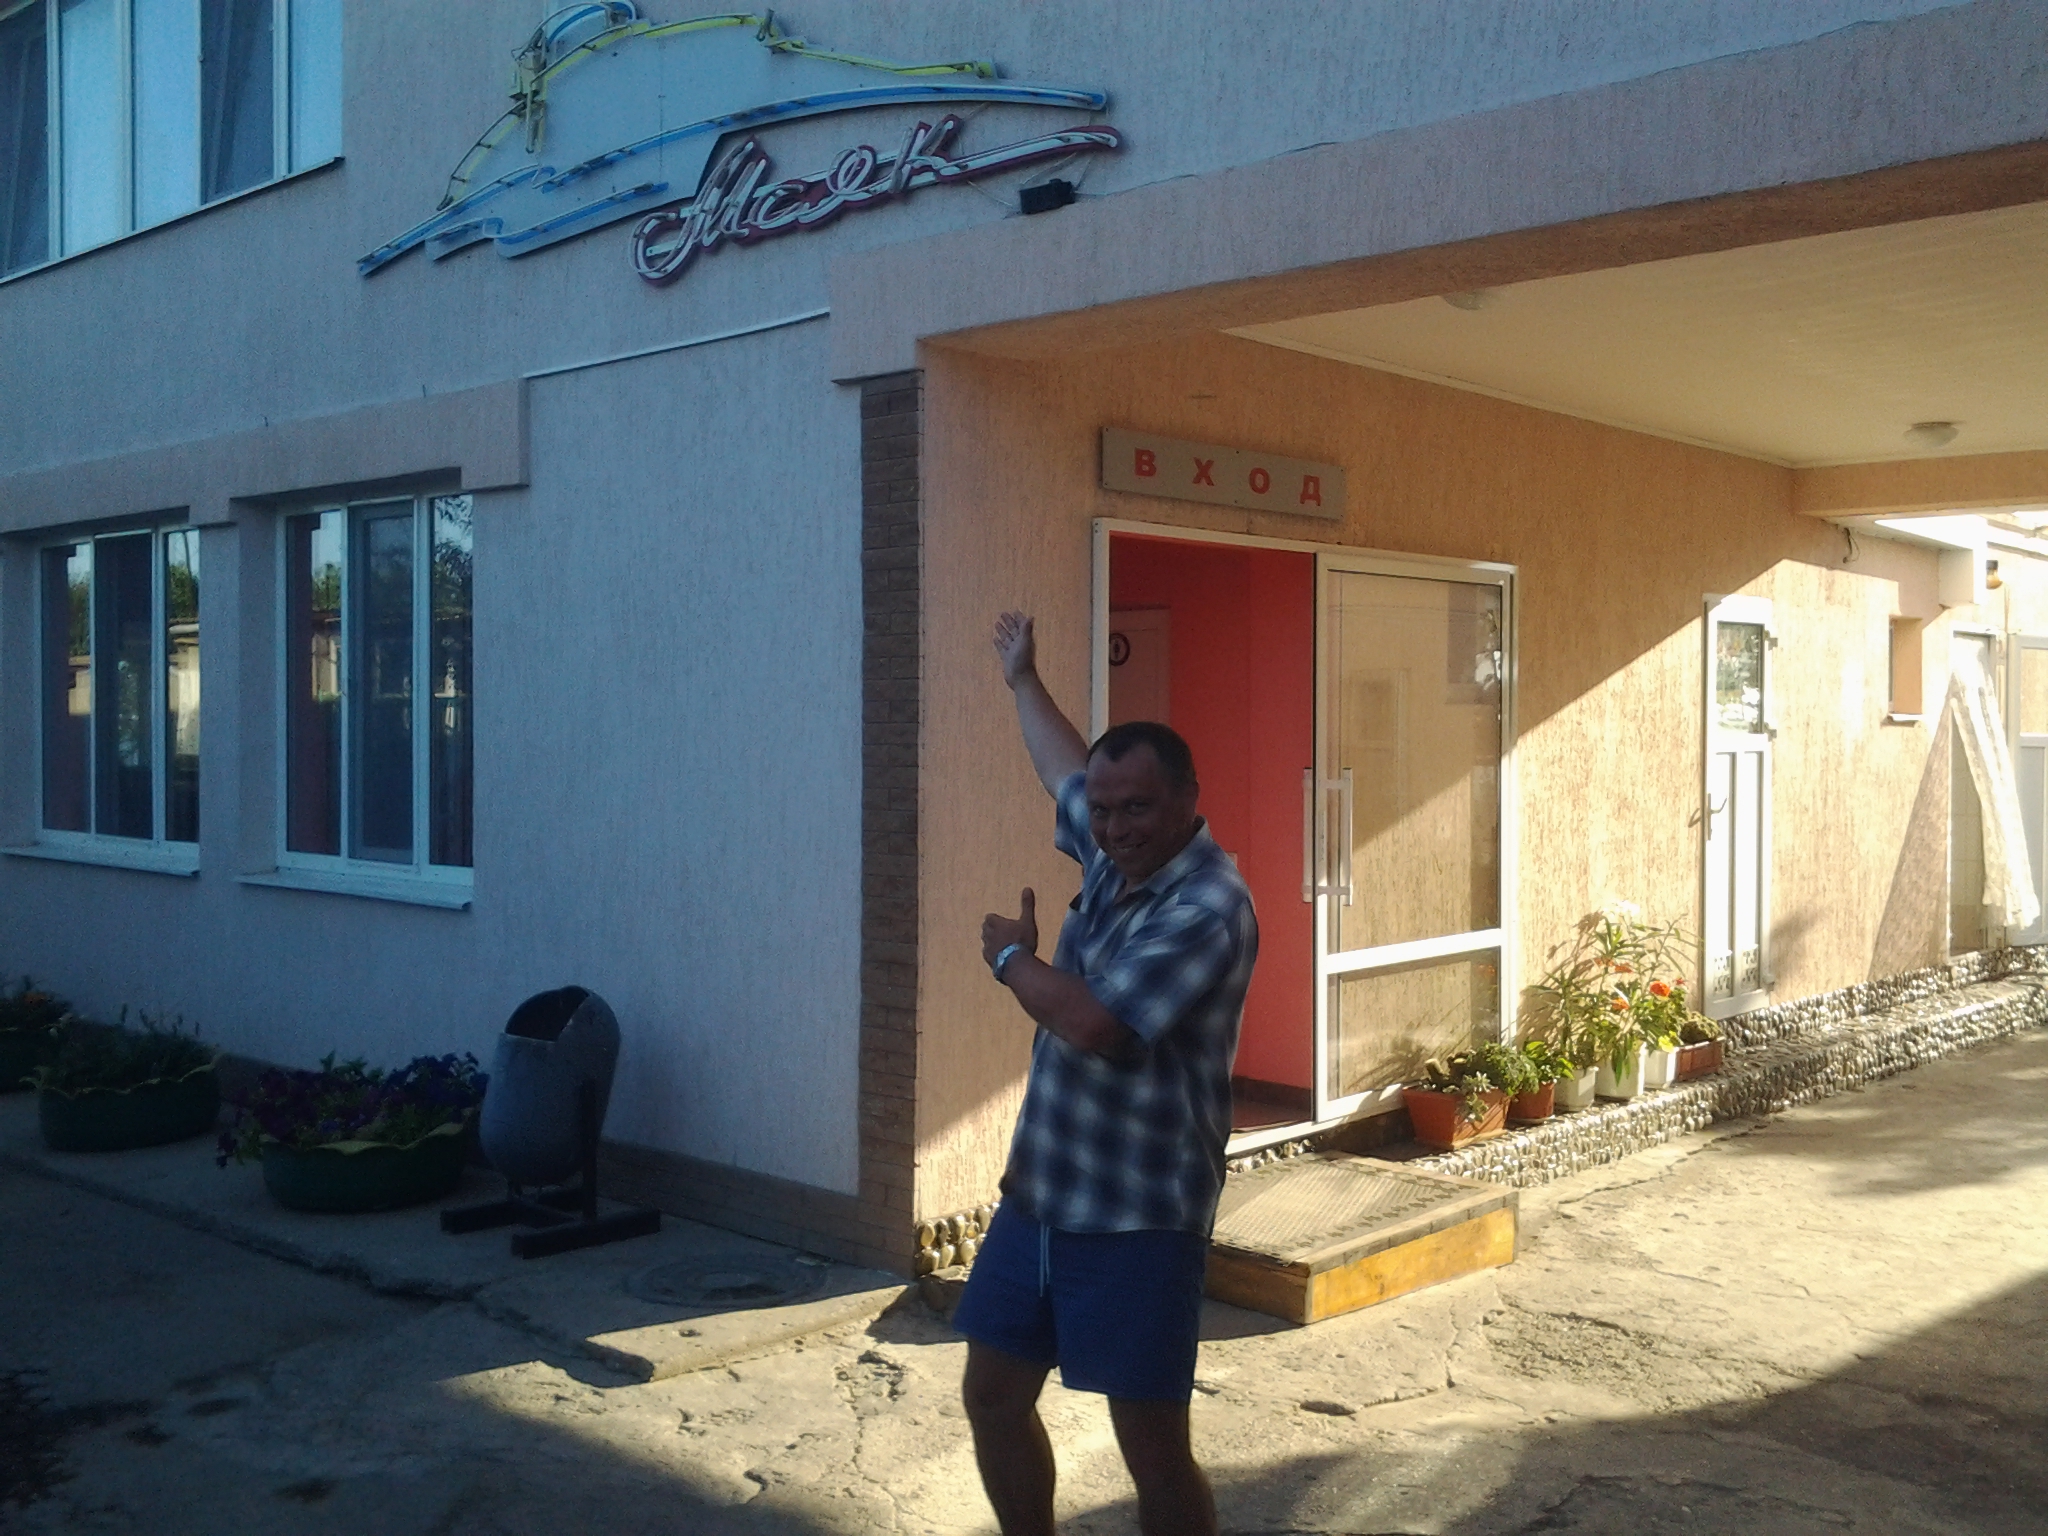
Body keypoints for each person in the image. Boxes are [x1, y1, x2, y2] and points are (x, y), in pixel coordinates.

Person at [955, 610, 1258, 1536]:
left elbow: (1100, 1026)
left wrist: (1013, 960)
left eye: (1139, 808)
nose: (1116, 826)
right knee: (992, 1395)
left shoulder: (1208, 906)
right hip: (1042, 1199)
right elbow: (1063, 767)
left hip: (1138, 1218)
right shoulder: (1107, 848)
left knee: (1151, 1448)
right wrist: (1021, 678)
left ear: (1188, 800)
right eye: (1106, 810)